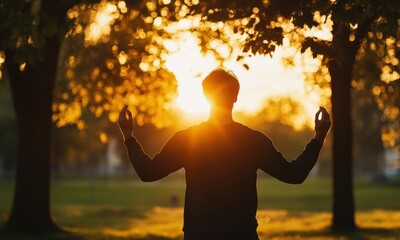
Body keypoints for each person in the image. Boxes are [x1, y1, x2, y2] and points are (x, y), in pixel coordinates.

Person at [118, 68, 331, 240]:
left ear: (206, 97)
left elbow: (148, 173)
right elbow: (294, 175)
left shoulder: (188, 139)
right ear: (235, 98)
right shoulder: (253, 141)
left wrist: (128, 135)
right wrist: (318, 137)